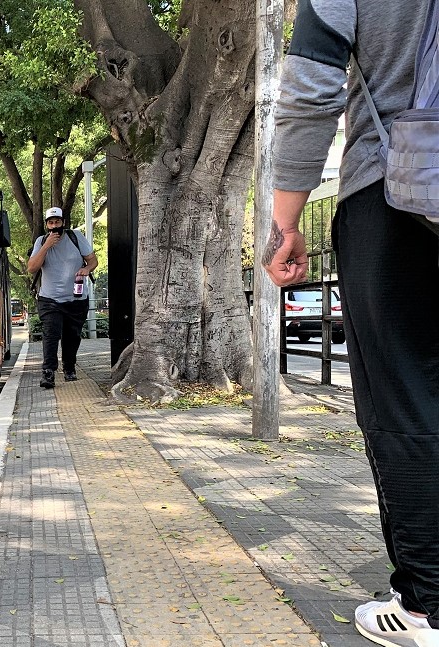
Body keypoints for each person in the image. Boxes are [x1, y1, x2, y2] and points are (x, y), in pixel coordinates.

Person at [265, 2, 439, 646]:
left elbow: (311, 91)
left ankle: (428, 606)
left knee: (405, 401)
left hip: (398, 192)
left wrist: (287, 221)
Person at [28, 207, 97, 388]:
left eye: (57, 222)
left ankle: (69, 367)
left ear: (63, 223)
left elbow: (93, 260)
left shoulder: (75, 237)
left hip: (76, 298)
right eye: (50, 223)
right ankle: (48, 373)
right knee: (51, 334)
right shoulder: (41, 241)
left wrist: (86, 269)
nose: (54, 226)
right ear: (47, 225)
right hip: (50, 299)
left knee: (72, 336)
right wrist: (46, 246)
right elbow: (32, 268)